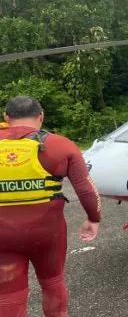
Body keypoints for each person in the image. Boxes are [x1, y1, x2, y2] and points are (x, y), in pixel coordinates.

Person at [0, 96, 101, 316]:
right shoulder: (60, 145)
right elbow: (85, 189)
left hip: (2, 237)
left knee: (8, 296)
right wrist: (93, 219)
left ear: (6, 117)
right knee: (53, 283)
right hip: (48, 234)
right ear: (41, 116)